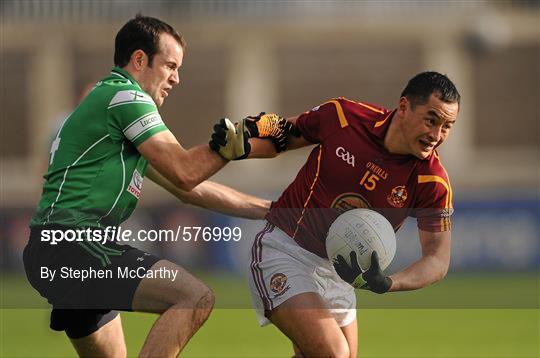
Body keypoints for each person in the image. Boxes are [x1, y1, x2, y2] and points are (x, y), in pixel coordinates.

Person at [23, 15, 288, 357]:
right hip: (76, 246)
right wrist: (231, 146)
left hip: (62, 246)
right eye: (170, 65)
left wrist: (270, 210)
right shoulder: (126, 97)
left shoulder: (113, 103)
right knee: (194, 297)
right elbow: (185, 171)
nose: (176, 78)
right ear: (138, 60)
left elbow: (190, 189)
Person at [213, 72, 460, 357]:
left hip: (339, 274)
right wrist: (242, 148)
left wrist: (389, 282)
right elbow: (284, 135)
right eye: (431, 120)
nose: (436, 135)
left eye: (447, 126)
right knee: (335, 354)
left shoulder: (432, 181)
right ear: (404, 107)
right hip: (285, 249)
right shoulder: (345, 117)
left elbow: (437, 259)